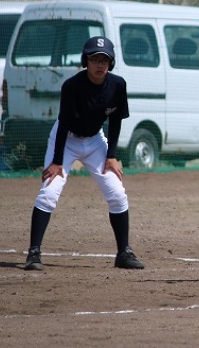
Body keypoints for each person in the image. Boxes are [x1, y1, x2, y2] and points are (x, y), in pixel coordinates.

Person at [23, 36, 144, 270]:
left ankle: (124, 253)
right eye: (94, 59)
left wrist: (111, 156)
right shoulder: (72, 86)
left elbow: (116, 122)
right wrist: (57, 161)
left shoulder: (118, 85)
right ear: (85, 61)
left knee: (117, 193)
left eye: (104, 60)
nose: (100, 64)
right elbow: (64, 124)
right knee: (49, 192)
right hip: (66, 140)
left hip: (95, 141)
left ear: (111, 63)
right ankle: (34, 253)